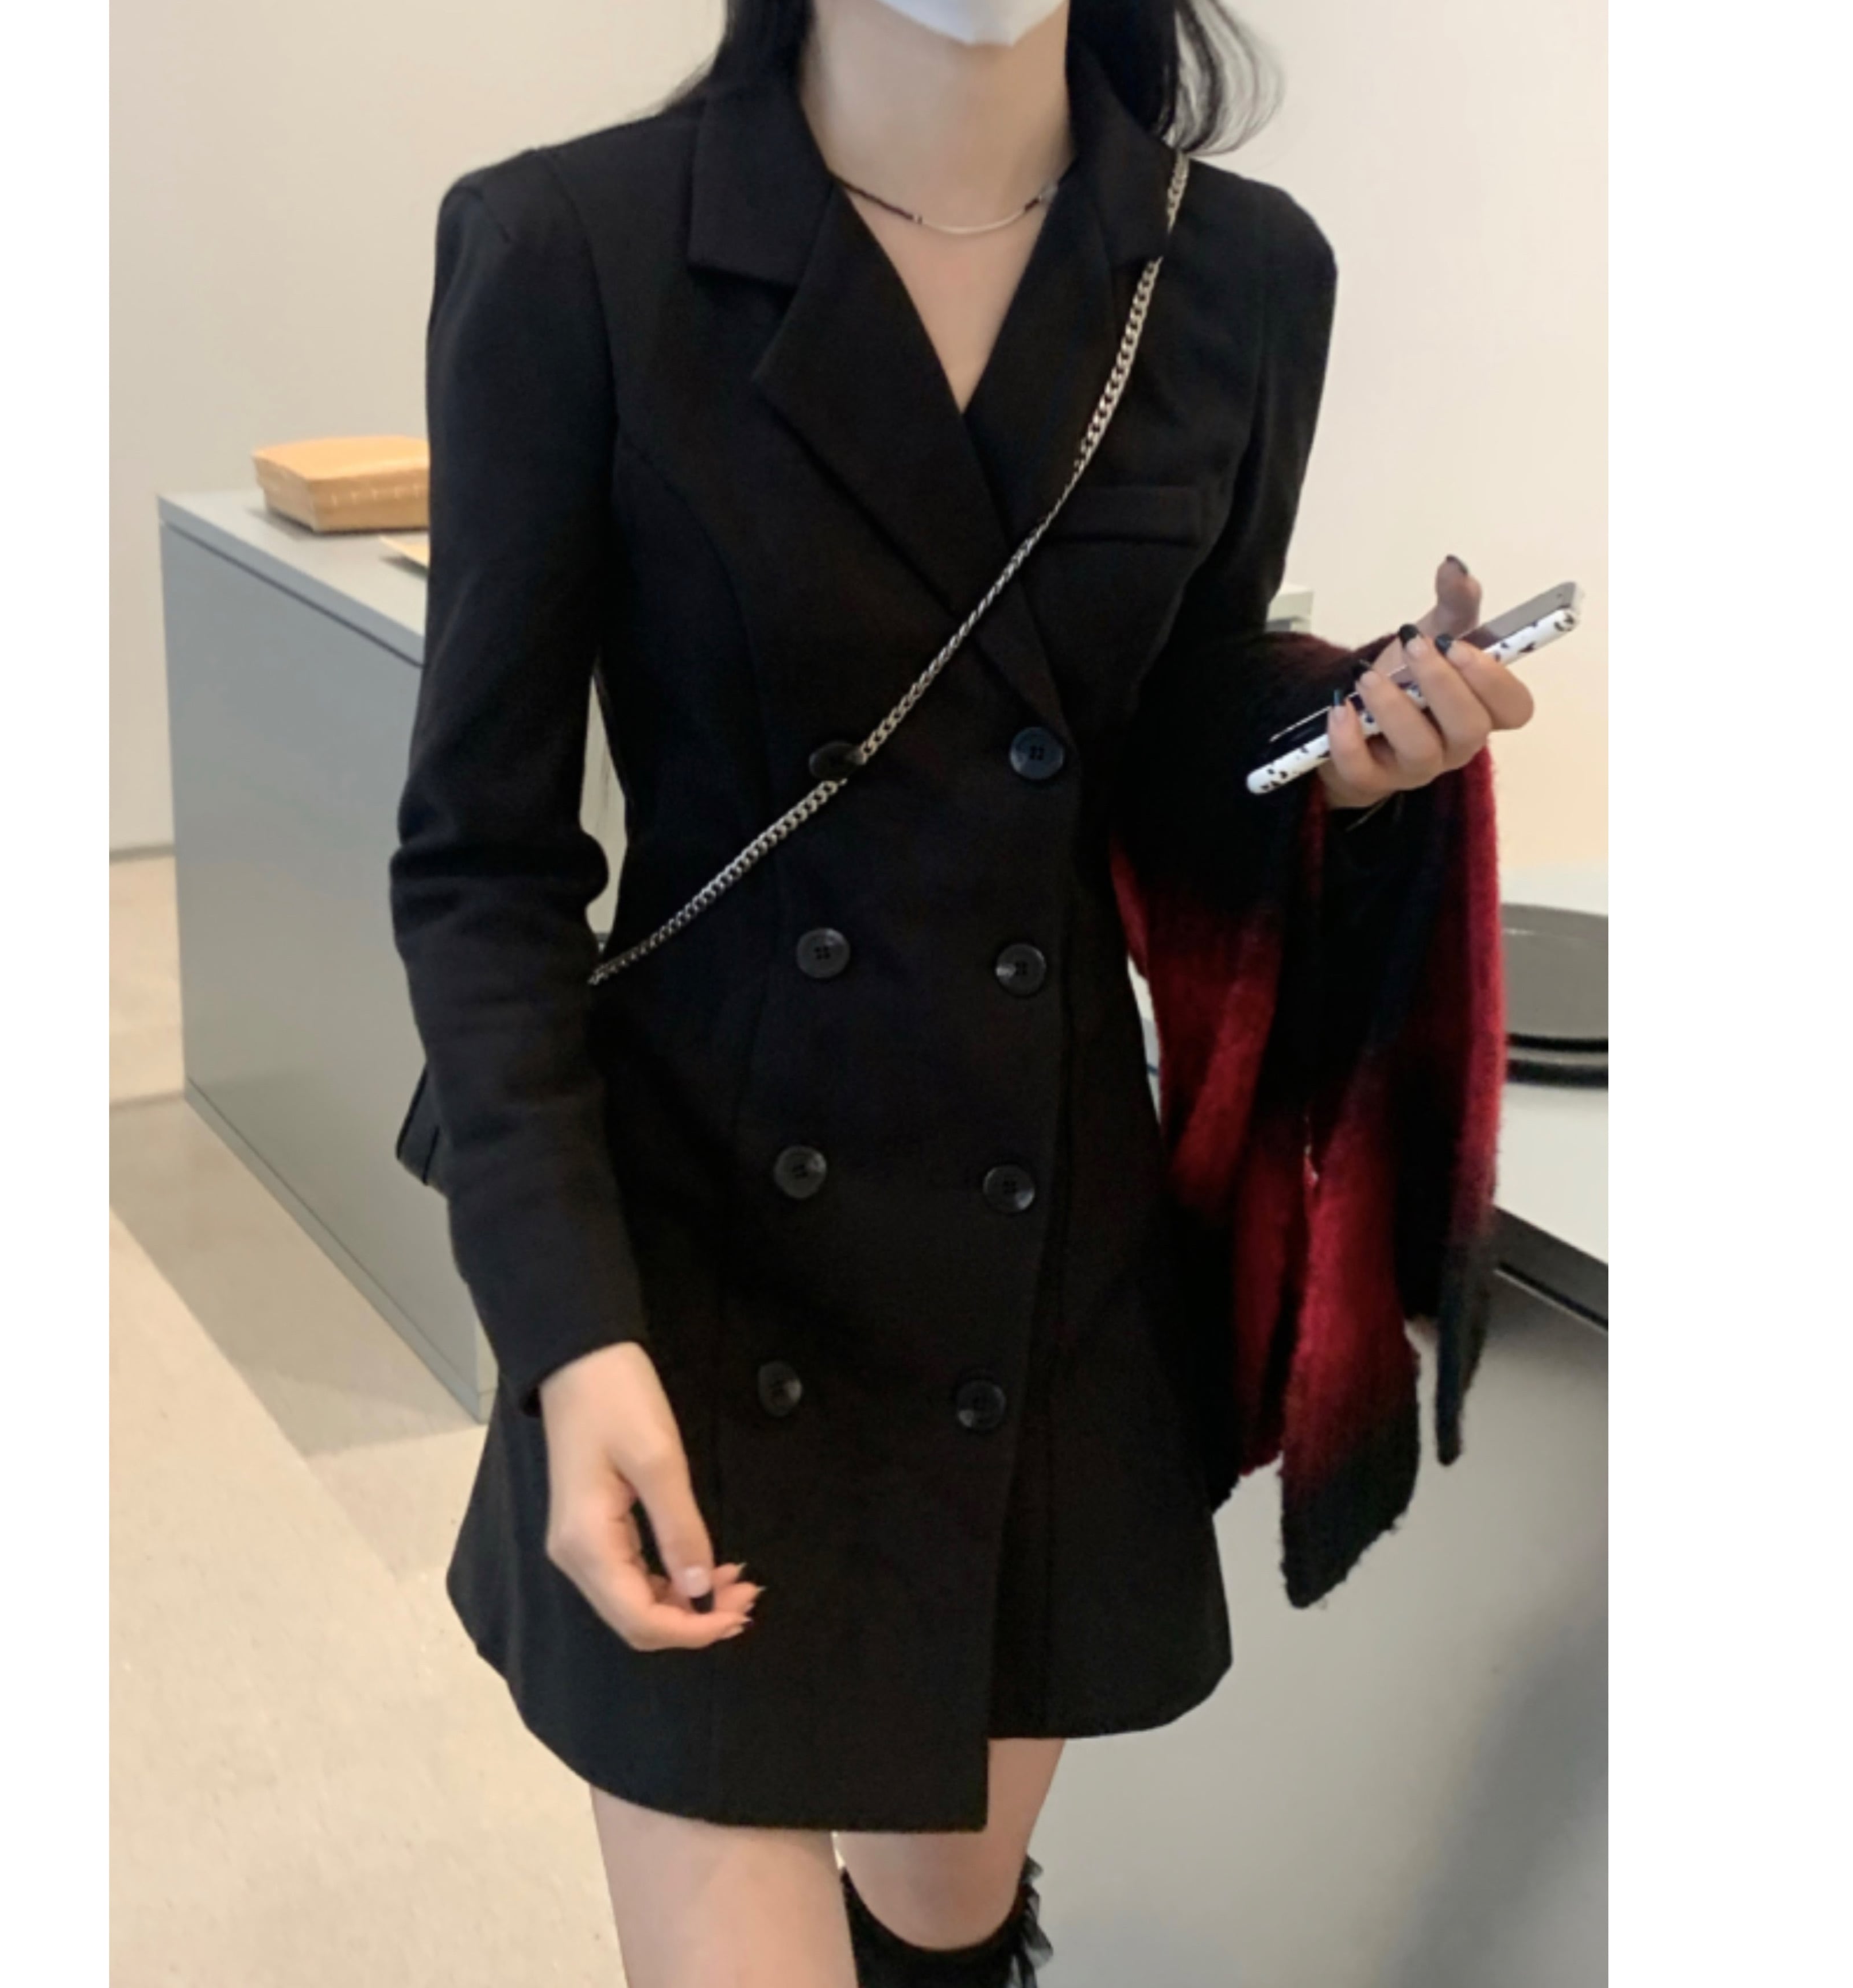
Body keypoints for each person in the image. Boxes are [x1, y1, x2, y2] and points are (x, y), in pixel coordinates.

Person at [386, 2, 1536, 1983]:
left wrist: (1334, 749)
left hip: (1039, 1252)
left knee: (943, 1912)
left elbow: (1150, 746)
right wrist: (568, 1331)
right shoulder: (573, 247)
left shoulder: (1241, 272)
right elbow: (483, 864)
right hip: (702, 1253)